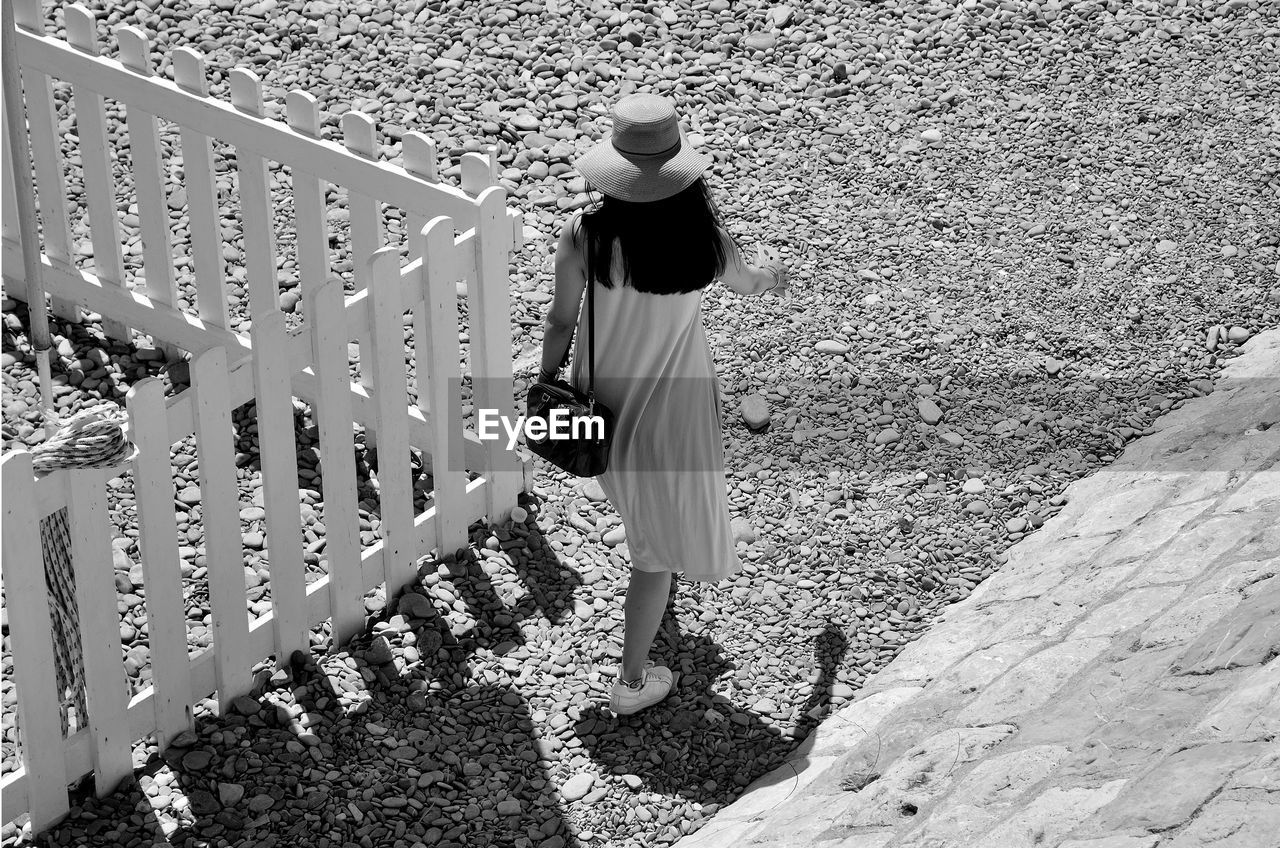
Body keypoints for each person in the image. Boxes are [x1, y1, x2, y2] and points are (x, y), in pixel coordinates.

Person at [536, 93, 790, 715]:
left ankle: (664, 540)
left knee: (639, 505)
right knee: (652, 558)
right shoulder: (699, 233)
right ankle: (628, 683)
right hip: (674, 407)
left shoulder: (586, 233)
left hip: (604, 402)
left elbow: (559, 321)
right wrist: (771, 272)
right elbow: (752, 282)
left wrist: (549, 389)